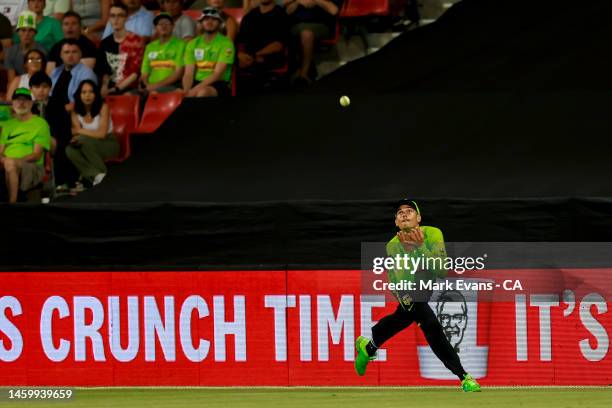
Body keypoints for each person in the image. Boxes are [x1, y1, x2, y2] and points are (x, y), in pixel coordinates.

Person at [354, 199, 482, 393]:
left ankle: (369, 347)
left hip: (425, 287)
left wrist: (419, 248)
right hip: (403, 288)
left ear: (419, 218)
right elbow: (404, 280)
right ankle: (464, 376)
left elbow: (441, 271)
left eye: (409, 211)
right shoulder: (393, 246)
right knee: (430, 324)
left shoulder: (433, 234)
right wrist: (410, 254)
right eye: (399, 213)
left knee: (401, 319)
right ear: (396, 222)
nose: (404, 214)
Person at [48, 39, 97, 188]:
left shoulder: (86, 73)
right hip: (55, 114)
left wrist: (68, 108)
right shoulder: (57, 71)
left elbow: (85, 101)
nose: (70, 56)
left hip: (76, 116)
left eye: (74, 52)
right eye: (66, 52)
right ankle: (56, 181)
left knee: (60, 128)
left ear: (80, 54)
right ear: (61, 55)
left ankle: (67, 180)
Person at [0, 87, 51, 203]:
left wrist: (14, 161)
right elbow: (0, 151)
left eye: (25, 100)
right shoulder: (8, 125)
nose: (21, 103)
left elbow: (36, 155)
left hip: (31, 165)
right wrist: (5, 160)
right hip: (7, 163)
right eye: (17, 100)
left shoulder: (40, 123)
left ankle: (12, 203)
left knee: (10, 163)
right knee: (9, 163)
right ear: (12, 103)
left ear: (31, 103)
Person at [66, 79, 118, 187]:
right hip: (88, 145)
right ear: (79, 95)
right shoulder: (75, 111)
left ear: (96, 94)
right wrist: (75, 138)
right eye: (84, 92)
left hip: (108, 143)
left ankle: (105, 178)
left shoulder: (103, 107)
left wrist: (79, 131)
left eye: (91, 92)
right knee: (70, 150)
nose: (87, 95)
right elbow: (76, 135)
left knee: (83, 140)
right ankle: (98, 176)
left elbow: (101, 134)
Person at [284, 0, 342, 83]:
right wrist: (298, 2)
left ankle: (303, 75)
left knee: (306, 33)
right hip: (296, 26)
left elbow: (334, 10)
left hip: (320, 25)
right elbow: (286, 12)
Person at [182, 7, 234, 97]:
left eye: (214, 19)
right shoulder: (192, 44)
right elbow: (188, 74)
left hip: (219, 83)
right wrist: (186, 91)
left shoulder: (226, 43)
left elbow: (217, 74)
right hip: (197, 82)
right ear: (201, 23)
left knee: (202, 93)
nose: (209, 22)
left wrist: (194, 90)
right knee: (177, 93)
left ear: (220, 24)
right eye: (206, 19)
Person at [236, 0, 288, 90]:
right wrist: (240, 54)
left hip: (270, 57)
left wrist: (256, 55)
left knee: (259, 64)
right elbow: (241, 41)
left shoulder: (281, 14)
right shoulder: (249, 16)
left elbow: (279, 44)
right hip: (248, 57)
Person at [97, 2, 145, 96]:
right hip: (110, 87)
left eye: (120, 16)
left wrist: (116, 89)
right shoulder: (105, 43)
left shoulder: (136, 41)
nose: (116, 19)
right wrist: (104, 86)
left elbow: (134, 74)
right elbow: (105, 71)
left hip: (130, 87)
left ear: (126, 18)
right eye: (113, 16)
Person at [140, 13, 185, 93]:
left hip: (171, 86)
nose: (164, 26)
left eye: (167, 23)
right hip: (149, 87)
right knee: (128, 95)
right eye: (160, 24)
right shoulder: (150, 47)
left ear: (173, 26)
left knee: (154, 94)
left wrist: (154, 86)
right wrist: (145, 84)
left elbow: (178, 73)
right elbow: (145, 72)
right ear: (155, 27)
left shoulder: (181, 45)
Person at [5, 11, 46, 84]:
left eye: (30, 30)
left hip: (38, 87)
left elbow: (45, 77)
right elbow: (11, 80)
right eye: (23, 30)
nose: (26, 34)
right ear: (17, 33)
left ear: (35, 33)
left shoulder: (42, 51)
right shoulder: (11, 51)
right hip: (18, 87)